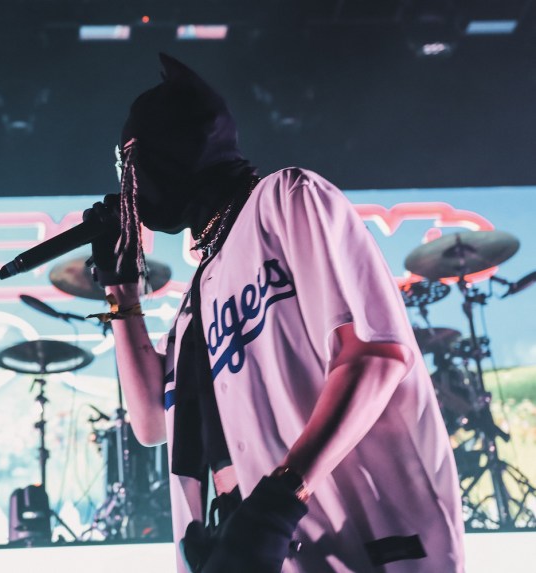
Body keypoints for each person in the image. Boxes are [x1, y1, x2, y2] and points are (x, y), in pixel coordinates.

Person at [86, 54, 465, 572]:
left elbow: (374, 355)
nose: (129, 187)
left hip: (346, 544)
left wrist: (280, 498)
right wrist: (121, 291)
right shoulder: (198, 298)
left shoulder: (286, 199)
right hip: (244, 546)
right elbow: (153, 423)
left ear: (174, 154)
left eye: (132, 165)